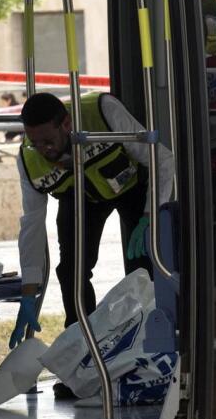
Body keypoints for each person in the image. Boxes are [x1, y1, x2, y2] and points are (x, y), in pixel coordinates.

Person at [9, 92, 176, 360]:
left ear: (67, 124)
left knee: (144, 266)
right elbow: (32, 226)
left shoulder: (104, 112)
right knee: (71, 270)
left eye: (48, 141)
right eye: (35, 142)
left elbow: (163, 160)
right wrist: (28, 293)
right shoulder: (28, 162)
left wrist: (149, 215)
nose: (44, 150)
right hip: (80, 198)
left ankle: (149, 347)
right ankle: (81, 352)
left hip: (133, 186)